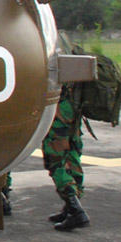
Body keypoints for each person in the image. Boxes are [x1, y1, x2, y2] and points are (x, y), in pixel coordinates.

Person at [42, 82, 90, 231]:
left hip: (58, 110)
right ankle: (70, 207)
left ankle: (76, 210)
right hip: (73, 108)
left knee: (55, 161)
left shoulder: (55, 58)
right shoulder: (74, 58)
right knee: (72, 156)